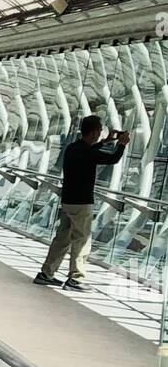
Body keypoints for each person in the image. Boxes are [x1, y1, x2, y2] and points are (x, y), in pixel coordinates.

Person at [34, 115, 130, 291]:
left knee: (62, 239)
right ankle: (75, 279)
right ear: (93, 133)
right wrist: (121, 144)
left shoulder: (73, 148)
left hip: (68, 200)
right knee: (82, 240)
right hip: (82, 202)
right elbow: (112, 159)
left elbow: (91, 151)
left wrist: (107, 141)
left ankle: (46, 273)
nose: (101, 134)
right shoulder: (88, 152)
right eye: (100, 132)